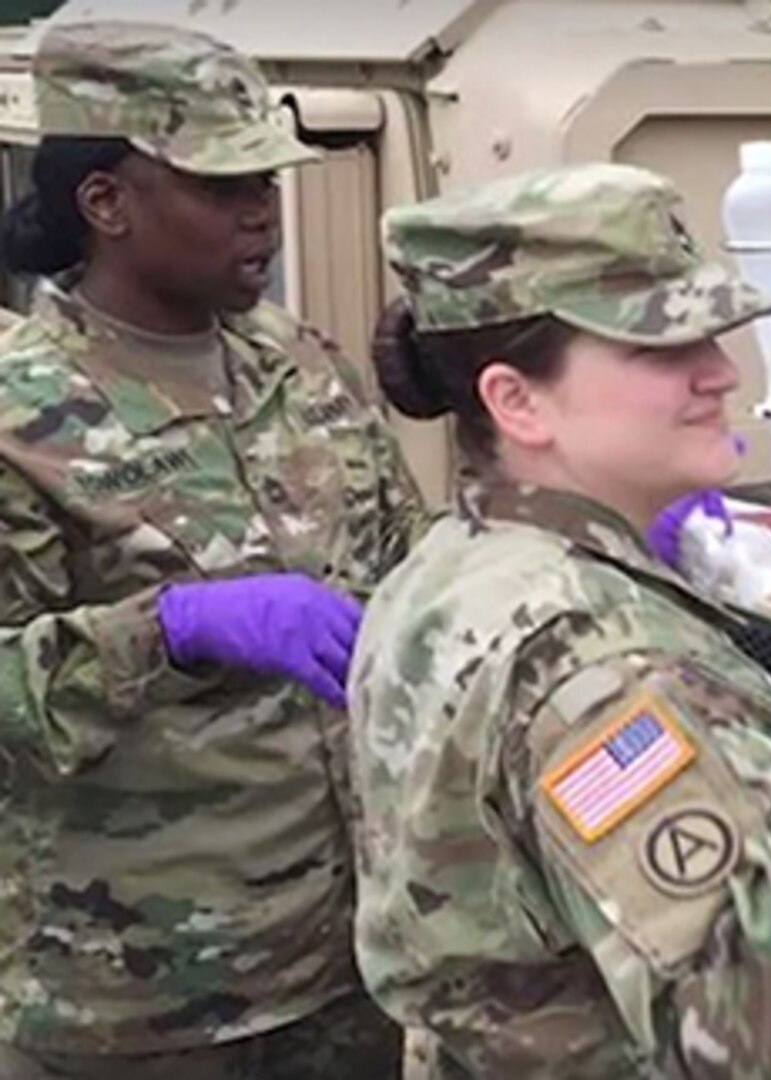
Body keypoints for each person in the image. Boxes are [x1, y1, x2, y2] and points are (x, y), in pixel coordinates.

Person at [349, 161, 771, 1078]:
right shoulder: (596, 663)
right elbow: (745, 1039)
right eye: (659, 349)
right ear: (516, 400)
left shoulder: (449, 565)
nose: (720, 372)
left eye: (710, 335)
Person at [0, 20, 427, 1079]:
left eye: (267, 185)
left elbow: (406, 562)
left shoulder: (298, 363)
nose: (262, 217)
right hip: (138, 1007)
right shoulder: (21, 413)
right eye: (223, 188)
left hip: (352, 964)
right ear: (105, 203)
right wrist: (172, 630)